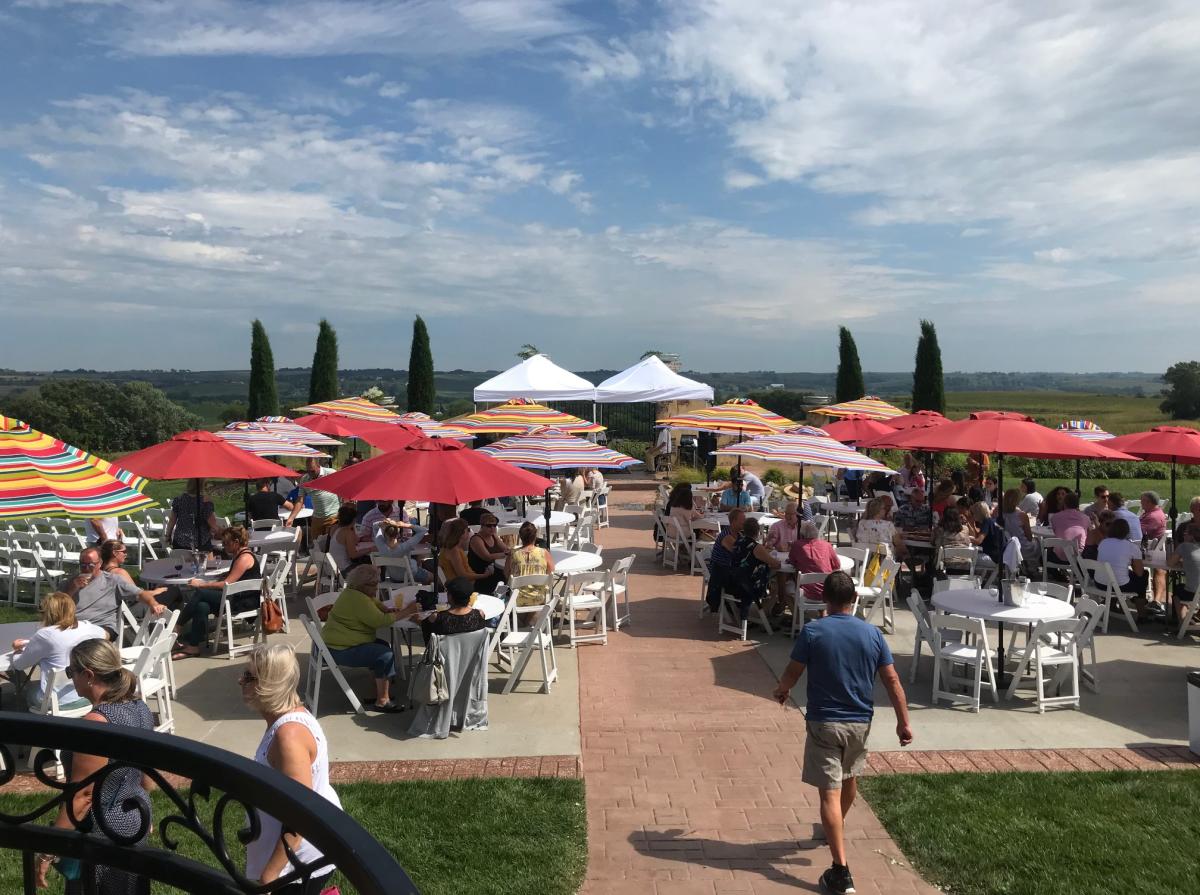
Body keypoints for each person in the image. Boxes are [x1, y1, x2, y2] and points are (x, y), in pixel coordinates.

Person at [772, 571, 913, 895]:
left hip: (824, 722)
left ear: (825, 599)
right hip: (859, 723)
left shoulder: (813, 631)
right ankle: (834, 827)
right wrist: (903, 722)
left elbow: (794, 671)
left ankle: (840, 872)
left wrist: (782, 690)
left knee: (828, 794)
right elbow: (892, 680)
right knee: (849, 779)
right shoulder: (872, 634)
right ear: (854, 599)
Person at [34, 638, 154, 894]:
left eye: (71, 672)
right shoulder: (140, 708)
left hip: (103, 830)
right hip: (135, 817)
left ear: (88, 675)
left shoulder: (97, 723)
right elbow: (147, 775)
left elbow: (83, 796)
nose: (71, 678)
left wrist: (48, 851)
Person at [241, 643, 343, 891]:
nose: (240, 681)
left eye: (248, 676)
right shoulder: (288, 718)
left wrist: (271, 875)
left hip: (295, 864)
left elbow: (301, 815)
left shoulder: (289, 737)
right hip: (294, 857)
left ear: (268, 684)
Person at [319, 564, 415, 712]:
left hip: (336, 643)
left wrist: (386, 609)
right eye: (373, 584)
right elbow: (381, 621)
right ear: (362, 585)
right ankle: (382, 701)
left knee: (382, 645)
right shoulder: (359, 600)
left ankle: (378, 692)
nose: (377, 588)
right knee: (384, 655)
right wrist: (409, 610)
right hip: (340, 649)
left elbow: (374, 603)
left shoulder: (352, 592)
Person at [172, 526, 262, 660]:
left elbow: (227, 584)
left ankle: (177, 628)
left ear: (236, 542)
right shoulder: (240, 555)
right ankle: (193, 647)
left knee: (200, 592)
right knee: (202, 605)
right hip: (235, 597)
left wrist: (202, 584)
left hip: (242, 602)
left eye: (226, 543)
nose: (223, 546)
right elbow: (232, 578)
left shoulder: (244, 558)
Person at [6, 591, 106, 710]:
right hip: (89, 694)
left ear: (48, 613)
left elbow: (19, 665)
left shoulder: (45, 635)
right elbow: (105, 635)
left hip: (57, 702)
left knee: (28, 690)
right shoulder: (88, 626)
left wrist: (17, 650)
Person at [64, 547, 167, 639]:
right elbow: (56, 606)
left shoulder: (112, 581)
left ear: (99, 563)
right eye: (83, 564)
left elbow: (140, 594)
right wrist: (72, 589)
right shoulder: (71, 582)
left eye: (91, 565)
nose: (86, 568)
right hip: (73, 626)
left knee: (82, 641)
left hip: (101, 626)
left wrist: (154, 604)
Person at [1096, 517, 1154, 620]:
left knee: (1121, 574)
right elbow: (1139, 573)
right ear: (1127, 531)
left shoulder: (1103, 543)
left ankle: (1112, 603)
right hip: (1117, 585)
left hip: (1100, 583)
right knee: (1143, 576)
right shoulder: (1131, 547)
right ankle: (1141, 613)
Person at [729, 517, 780, 616]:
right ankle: (766, 613)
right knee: (776, 583)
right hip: (748, 586)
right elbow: (776, 564)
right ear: (757, 531)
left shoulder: (738, 542)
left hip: (733, 581)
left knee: (771, 577)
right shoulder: (756, 547)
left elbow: (749, 556)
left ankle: (763, 612)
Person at [285, 458, 341, 541]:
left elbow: (343, 488)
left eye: (312, 471)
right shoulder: (304, 479)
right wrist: (291, 518)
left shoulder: (331, 473)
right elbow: (300, 500)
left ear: (319, 466)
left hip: (333, 517)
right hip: (316, 518)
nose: (310, 474)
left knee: (329, 545)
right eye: (308, 471)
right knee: (315, 545)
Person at [788, 520, 841, 602]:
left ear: (802, 535)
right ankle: (822, 612)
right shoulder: (827, 545)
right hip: (827, 593)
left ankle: (797, 613)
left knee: (786, 588)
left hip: (804, 594)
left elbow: (792, 562)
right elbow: (837, 565)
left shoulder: (796, 545)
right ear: (817, 534)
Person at [506, 521, 556, 606]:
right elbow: (551, 573)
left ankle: (524, 618)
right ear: (535, 537)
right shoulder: (544, 553)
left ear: (520, 537)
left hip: (517, 598)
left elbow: (507, 573)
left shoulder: (513, 553)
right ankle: (534, 617)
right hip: (540, 597)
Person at [705, 509, 745, 612]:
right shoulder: (727, 536)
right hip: (720, 573)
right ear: (734, 521)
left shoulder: (738, 535)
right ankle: (742, 613)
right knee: (748, 583)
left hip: (726, 570)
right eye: (742, 520)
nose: (744, 522)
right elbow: (740, 554)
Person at [437, 518, 493, 591]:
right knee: (494, 580)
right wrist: (484, 575)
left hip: (463, 584)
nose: (469, 532)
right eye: (468, 530)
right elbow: (463, 575)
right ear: (461, 533)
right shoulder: (454, 551)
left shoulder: (450, 547)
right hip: (463, 587)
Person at [165, 479, 221, 551]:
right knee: (208, 561)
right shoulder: (206, 502)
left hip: (180, 541)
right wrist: (224, 532)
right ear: (203, 486)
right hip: (201, 542)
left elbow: (172, 520)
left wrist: (168, 535)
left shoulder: (178, 500)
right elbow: (213, 525)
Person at [327, 503, 376, 574]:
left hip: (333, 570)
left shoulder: (337, 529)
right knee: (372, 570)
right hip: (342, 571)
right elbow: (353, 555)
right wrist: (370, 549)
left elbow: (355, 541)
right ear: (354, 519)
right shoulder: (347, 532)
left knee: (367, 567)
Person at [467, 513, 509, 594]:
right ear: (482, 526)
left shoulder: (493, 535)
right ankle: (500, 596)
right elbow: (487, 557)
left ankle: (502, 595)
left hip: (493, 570)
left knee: (508, 575)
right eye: (489, 526)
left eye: (494, 525)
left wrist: (506, 552)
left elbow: (505, 549)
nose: (492, 528)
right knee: (505, 578)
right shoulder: (476, 539)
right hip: (481, 575)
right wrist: (505, 554)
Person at [1168, 523, 1200, 622]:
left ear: (1192, 536)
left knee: (1177, 591)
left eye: (1185, 533)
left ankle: (1181, 623)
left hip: (1194, 593)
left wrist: (1183, 561)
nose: (1183, 535)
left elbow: (1170, 563)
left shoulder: (1184, 546)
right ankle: (1189, 618)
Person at [1049, 492, 1090, 564]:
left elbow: (1056, 533)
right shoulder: (1085, 518)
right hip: (1078, 557)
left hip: (1059, 555)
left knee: (1044, 554)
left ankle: (1057, 574)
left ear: (1064, 504)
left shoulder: (1055, 517)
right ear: (1078, 504)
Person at [1000, 488, 1037, 562]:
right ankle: (1033, 566)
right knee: (1039, 543)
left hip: (1006, 548)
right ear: (1017, 501)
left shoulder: (1000, 515)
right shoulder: (1022, 515)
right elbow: (1029, 537)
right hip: (1022, 549)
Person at [933, 507, 974, 573]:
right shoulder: (965, 529)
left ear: (944, 517)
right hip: (965, 566)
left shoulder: (939, 530)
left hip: (945, 567)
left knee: (930, 564)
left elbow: (932, 541)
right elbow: (969, 541)